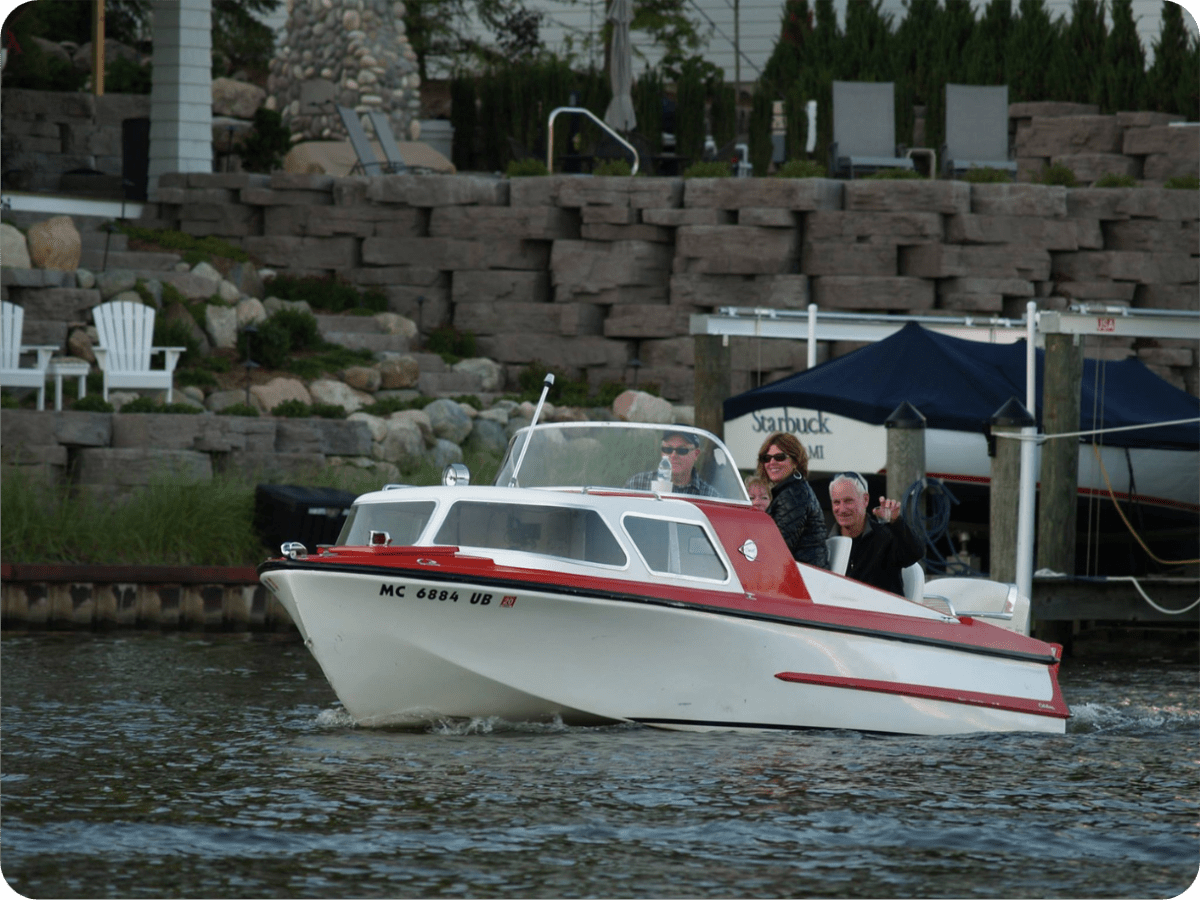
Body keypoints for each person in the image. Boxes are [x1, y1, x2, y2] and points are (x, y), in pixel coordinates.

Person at [828, 471, 924, 596]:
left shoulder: (886, 536)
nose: (842, 509)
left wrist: (896, 521)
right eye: (836, 502)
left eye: (848, 501)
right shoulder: (827, 544)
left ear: (865, 500)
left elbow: (915, 553)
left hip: (882, 612)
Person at [757, 432, 828, 568]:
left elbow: (778, 549)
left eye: (779, 457)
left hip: (804, 579)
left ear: (795, 461)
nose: (772, 463)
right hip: (801, 574)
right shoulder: (791, 490)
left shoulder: (794, 494)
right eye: (767, 458)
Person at [625, 430, 719, 496]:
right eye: (667, 449)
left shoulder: (709, 495)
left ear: (696, 454)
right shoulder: (637, 484)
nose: (673, 455)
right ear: (662, 452)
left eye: (682, 450)